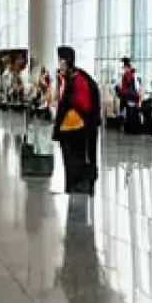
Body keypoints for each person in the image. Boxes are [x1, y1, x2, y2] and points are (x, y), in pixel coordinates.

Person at [53, 46, 102, 195]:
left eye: (60, 61)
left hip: (76, 130)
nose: (59, 65)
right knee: (71, 163)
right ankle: (73, 187)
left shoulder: (78, 79)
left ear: (66, 61)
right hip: (71, 128)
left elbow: (83, 105)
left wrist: (68, 101)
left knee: (76, 162)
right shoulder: (69, 78)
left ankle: (78, 186)